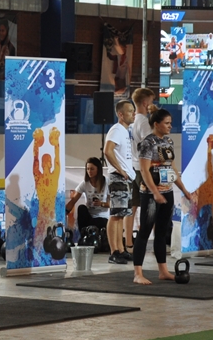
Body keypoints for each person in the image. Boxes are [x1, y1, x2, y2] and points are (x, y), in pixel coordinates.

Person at [134, 109, 196, 285]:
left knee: (162, 232)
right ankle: (138, 273)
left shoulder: (168, 141)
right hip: (150, 194)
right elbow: (144, 170)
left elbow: (172, 169)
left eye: (170, 122)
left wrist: (184, 190)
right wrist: (154, 192)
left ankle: (163, 270)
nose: (170, 126)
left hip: (167, 192)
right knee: (145, 232)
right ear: (156, 124)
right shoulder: (147, 143)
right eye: (167, 123)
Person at [104, 100, 136, 264]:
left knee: (121, 214)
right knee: (115, 215)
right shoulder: (116, 130)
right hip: (118, 176)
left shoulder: (125, 131)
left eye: (134, 111)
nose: (133, 114)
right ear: (120, 114)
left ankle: (121, 249)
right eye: (130, 111)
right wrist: (120, 169)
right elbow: (107, 151)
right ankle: (114, 251)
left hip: (126, 177)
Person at [127, 88, 157, 253]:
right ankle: (153, 241)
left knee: (133, 207)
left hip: (132, 166)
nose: (152, 105)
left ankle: (130, 243)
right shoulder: (144, 122)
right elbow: (150, 146)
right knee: (150, 206)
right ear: (145, 103)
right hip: (143, 168)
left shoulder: (131, 121)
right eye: (151, 101)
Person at [66, 157, 108, 239]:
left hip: (103, 217)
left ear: (98, 169)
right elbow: (73, 200)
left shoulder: (107, 182)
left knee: (100, 221)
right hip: (90, 217)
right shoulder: (85, 183)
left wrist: (101, 204)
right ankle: (83, 237)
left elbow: (113, 204)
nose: (89, 171)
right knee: (81, 208)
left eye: (92, 169)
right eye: (88, 169)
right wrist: (64, 212)